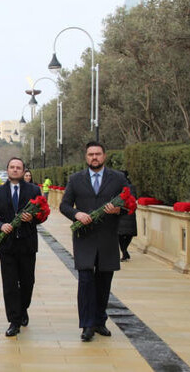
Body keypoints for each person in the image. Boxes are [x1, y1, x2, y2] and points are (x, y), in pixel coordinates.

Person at [60, 141, 128, 342]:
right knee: (86, 282)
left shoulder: (118, 178)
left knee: (104, 283)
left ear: (104, 156)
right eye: (91, 154)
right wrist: (76, 214)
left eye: (98, 154)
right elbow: (64, 205)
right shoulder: (75, 179)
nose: (94, 157)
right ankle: (87, 325)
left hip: (107, 238)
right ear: (86, 157)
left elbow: (130, 203)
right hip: (84, 238)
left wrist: (119, 210)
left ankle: (100, 321)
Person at [0, 157, 43, 337]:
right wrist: (0, 226)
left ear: (24, 170)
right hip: (7, 246)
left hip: (27, 244)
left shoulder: (34, 190)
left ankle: (23, 308)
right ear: (7, 170)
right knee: (10, 284)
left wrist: (33, 218)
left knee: (27, 282)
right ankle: (14, 320)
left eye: (18, 167)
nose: (15, 170)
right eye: (12, 167)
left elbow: (42, 214)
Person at [118, 171, 137, 262]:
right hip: (130, 212)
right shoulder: (132, 187)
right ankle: (125, 251)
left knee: (120, 235)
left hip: (122, 212)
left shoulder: (118, 187)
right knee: (129, 234)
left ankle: (124, 251)